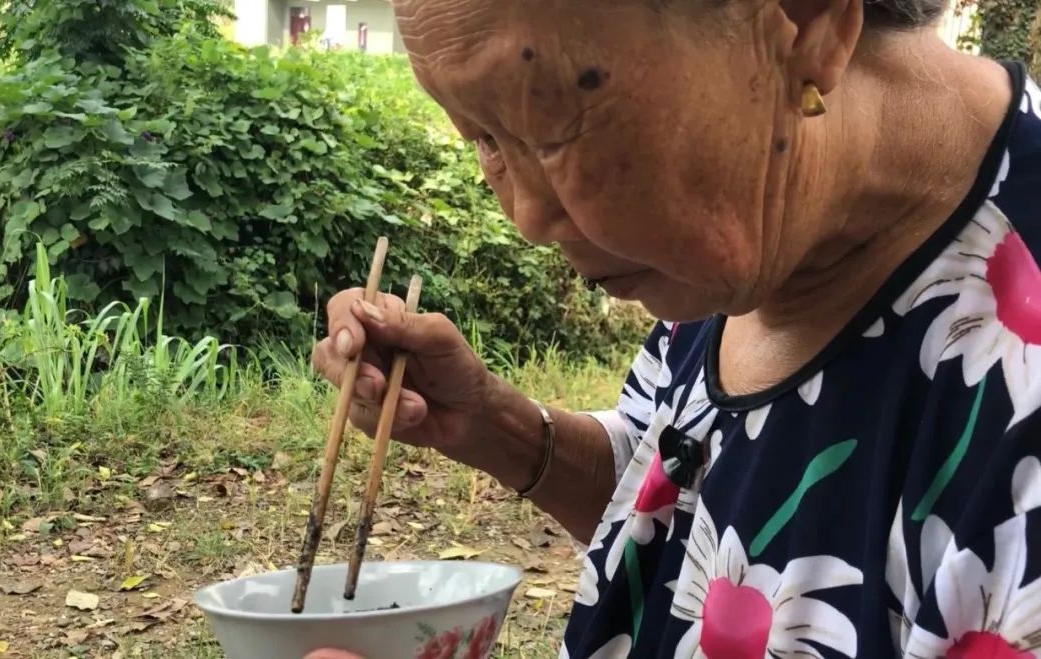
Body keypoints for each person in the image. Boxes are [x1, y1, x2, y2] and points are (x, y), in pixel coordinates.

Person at [308, 0, 1041, 656]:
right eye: (484, 139)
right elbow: (681, 508)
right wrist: (494, 427)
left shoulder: (1018, 381)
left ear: (806, 22)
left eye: (553, 125)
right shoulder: (754, 223)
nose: (527, 217)